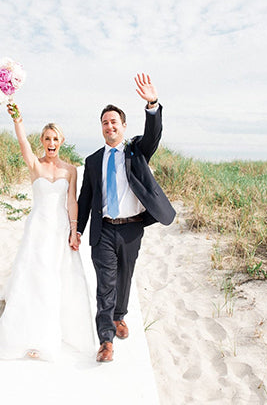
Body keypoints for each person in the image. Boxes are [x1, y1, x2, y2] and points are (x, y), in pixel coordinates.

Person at [75, 73, 176, 363]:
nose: (109, 126)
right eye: (105, 122)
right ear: (101, 128)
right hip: (103, 230)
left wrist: (152, 104)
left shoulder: (136, 151)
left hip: (132, 228)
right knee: (105, 282)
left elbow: (154, 135)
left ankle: (119, 316)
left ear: (123, 126)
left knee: (124, 277)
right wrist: (78, 229)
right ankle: (105, 339)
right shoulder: (93, 160)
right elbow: (86, 197)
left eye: (114, 122)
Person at [0, 104, 95, 362]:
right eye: (47, 138)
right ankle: (32, 335)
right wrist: (18, 120)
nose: (51, 142)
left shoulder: (69, 171)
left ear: (61, 142)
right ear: (42, 142)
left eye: (55, 138)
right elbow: (22, 141)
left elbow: (72, 201)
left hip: (59, 231)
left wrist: (74, 230)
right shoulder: (35, 165)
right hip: (37, 229)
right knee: (34, 279)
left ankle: (53, 332)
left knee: (56, 279)